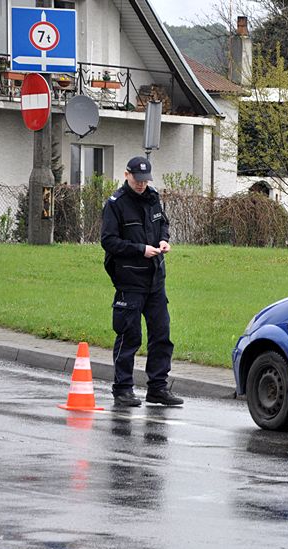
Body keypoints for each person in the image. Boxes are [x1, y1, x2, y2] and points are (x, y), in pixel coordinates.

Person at [101, 156, 183, 407]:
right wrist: (140, 249)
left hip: (155, 280)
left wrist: (163, 241)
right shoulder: (116, 204)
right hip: (130, 280)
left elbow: (163, 225)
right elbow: (109, 241)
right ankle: (123, 388)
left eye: (145, 180)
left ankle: (157, 388)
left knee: (161, 335)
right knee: (129, 335)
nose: (141, 184)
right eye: (137, 179)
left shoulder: (153, 197)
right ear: (127, 175)